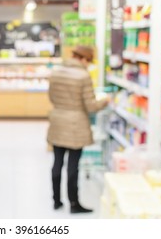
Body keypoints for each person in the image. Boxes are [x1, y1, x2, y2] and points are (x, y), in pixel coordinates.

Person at [47, 45, 108, 214]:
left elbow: (51, 97)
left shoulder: (56, 72)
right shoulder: (83, 76)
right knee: (73, 166)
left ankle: (56, 201)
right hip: (76, 125)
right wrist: (105, 101)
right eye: (88, 61)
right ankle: (74, 203)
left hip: (58, 121)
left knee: (57, 163)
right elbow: (91, 106)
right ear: (83, 59)